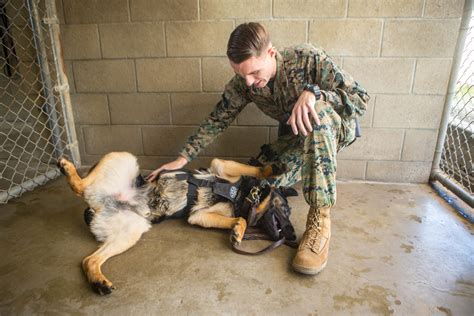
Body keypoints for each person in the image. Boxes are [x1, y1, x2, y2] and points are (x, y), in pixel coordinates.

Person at [146, 22, 369, 275]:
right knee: (260, 179)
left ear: (271, 53)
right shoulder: (246, 81)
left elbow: (360, 99)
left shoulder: (307, 59)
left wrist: (316, 95)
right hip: (298, 137)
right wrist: (182, 157)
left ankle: (320, 221)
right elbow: (219, 118)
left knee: (314, 110)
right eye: (242, 75)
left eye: (254, 73)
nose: (250, 82)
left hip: (331, 128)